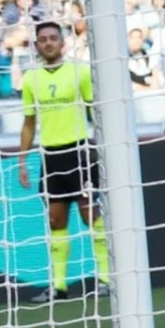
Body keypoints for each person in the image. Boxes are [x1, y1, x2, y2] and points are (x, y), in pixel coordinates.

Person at [18, 21, 109, 302]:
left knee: (90, 215)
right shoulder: (31, 79)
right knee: (56, 219)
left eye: (53, 38)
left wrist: (102, 148)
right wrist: (22, 159)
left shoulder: (79, 72)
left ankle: (106, 279)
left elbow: (96, 113)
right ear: (36, 45)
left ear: (62, 43)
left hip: (79, 152)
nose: (48, 43)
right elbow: (29, 122)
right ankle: (59, 286)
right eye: (43, 39)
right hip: (51, 155)